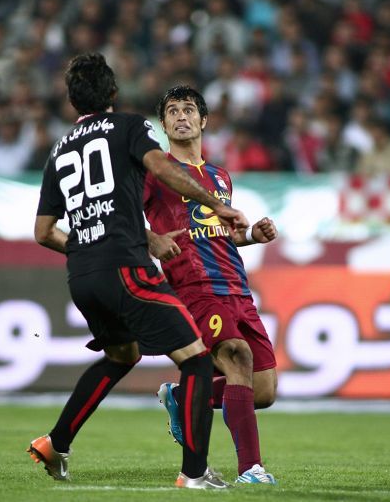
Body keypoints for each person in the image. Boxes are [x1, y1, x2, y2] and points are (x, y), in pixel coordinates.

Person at [29, 53, 249, 489]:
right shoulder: (128, 126)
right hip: (126, 269)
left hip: (82, 275)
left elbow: (42, 232)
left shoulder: (59, 149)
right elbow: (161, 166)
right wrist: (216, 203)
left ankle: (56, 442)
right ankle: (194, 474)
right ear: (113, 92)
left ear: (72, 102)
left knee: (122, 355)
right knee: (197, 360)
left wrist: (92, 246)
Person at [144, 86, 279, 484]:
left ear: (203, 120)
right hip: (194, 286)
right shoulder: (155, 172)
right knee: (236, 356)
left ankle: (181, 397)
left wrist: (251, 235)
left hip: (237, 287)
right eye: (172, 111)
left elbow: (219, 232)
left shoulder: (220, 176)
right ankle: (251, 470)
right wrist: (152, 240)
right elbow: (124, 217)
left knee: (264, 390)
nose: (181, 117)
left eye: (188, 110)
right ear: (164, 124)